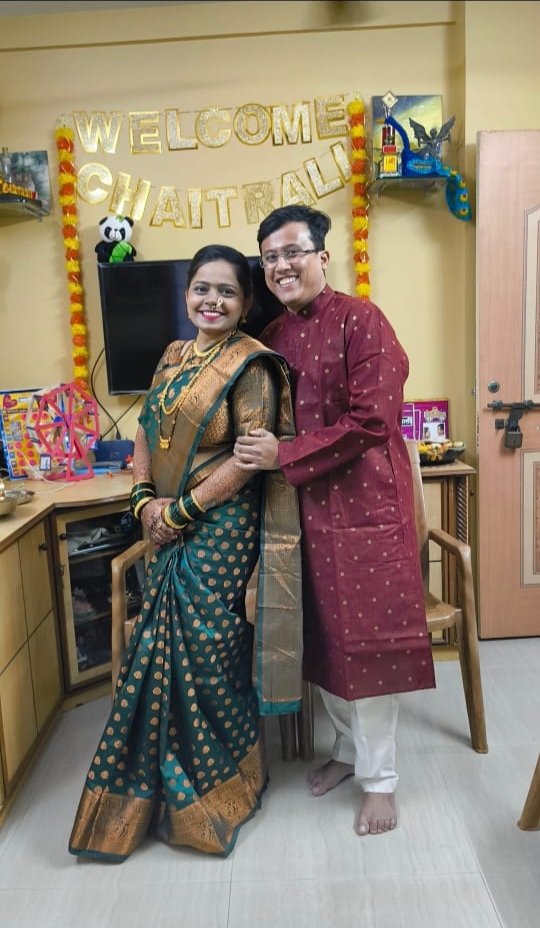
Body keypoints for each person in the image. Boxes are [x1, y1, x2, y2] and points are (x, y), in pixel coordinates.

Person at [69, 244, 303, 861]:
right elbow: (145, 429)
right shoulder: (173, 355)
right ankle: (147, 791)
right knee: (160, 647)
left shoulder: (252, 366)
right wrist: (143, 498)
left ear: (245, 304)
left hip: (220, 527)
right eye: (203, 288)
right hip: (165, 520)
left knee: (208, 649)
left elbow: (249, 458)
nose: (212, 301)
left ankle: (221, 785)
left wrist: (179, 512)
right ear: (187, 295)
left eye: (227, 292)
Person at [234, 205, 435, 837]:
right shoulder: (275, 334)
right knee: (322, 641)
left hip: (364, 512)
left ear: (323, 256)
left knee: (366, 648)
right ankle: (349, 754)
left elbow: (374, 420)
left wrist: (284, 455)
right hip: (302, 513)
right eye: (270, 257)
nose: (281, 265)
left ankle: (382, 782)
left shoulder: (361, 320)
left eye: (293, 251)